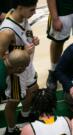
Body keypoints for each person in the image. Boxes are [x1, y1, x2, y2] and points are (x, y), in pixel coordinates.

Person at [0, 0, 39, 134]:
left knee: (33, 92)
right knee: (13, 103)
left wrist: (33, 40)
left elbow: (25, 36)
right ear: (20, 7)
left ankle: (25, 114)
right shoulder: (6, 32)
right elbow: (1, 58)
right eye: (32, 10)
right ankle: (10, 130)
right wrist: (22, 51)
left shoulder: (22, 16)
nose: (35, 12)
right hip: (15, 73)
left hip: (27, 66)